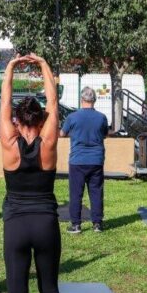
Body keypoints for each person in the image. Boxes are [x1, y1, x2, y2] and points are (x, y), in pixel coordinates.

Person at [0, 53, 67, 293]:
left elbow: (4, 101)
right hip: (45, 224)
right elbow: (53, 102)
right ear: (41, 121)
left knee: (17, 292)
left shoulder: (8, 142)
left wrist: (11, 67)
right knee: (49, 287)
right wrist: (43, 63)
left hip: (16, 224)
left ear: (17, 120)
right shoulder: (49, 141)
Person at [60, 86, 109, 234]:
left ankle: (76, 225)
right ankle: (97, 224)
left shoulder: (72, 117)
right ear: (94, 100)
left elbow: (62, 134)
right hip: (96, 159)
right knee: (96, 192)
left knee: (76, 194)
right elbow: (105, 134)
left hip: (77, 160)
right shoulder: (102, 117)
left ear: (82, 100)